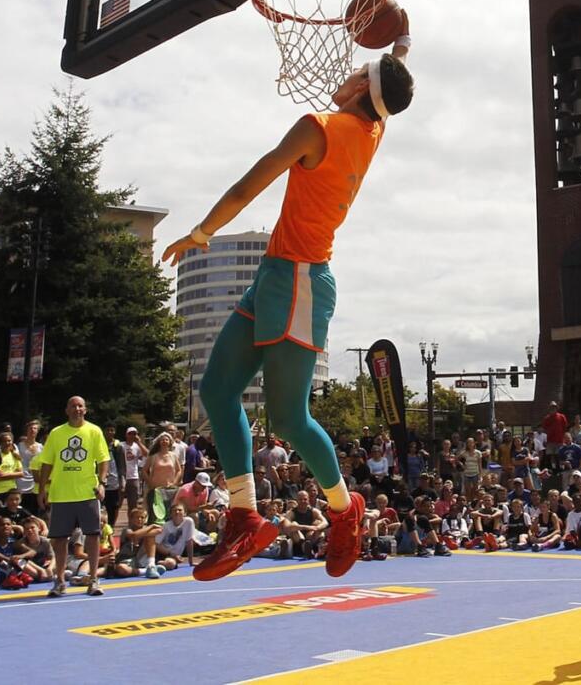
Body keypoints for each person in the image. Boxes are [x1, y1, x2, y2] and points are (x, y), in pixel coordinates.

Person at [159, 34, 418, 580]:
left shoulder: (319, 127)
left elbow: (251, 183)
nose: (343, 74)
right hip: (277, 275)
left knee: (290, 417)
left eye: (356, 72)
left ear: (360, 89)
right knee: (216, 391)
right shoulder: (374, 126)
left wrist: (202, 231)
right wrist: (402, 38)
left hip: (300, 279)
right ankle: (244, 514)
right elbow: (390, 86)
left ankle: (346, 512)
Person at [37, 396, 110, 598]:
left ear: (85, 410)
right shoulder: (57, 433)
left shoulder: (94, 431)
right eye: (73, 406)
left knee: (93, 536)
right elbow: (47, 463)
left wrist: (102, 483)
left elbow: (104, 460)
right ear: (66, 410)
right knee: (59, 540)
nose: (77, 409)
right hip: (61, 494)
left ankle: (93, 579)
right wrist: (42, 489)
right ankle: (59, 580)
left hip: (87, 493)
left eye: (80, 406)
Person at [16, 419, 43, 515]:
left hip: (35, 479)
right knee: (22, 506)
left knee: (35, 506)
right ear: (27, 430)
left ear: (37, 431)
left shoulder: (41, 447)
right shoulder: (19, 445)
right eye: (30, 428)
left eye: (35, 428)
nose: (32, 430)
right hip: (22, 479)